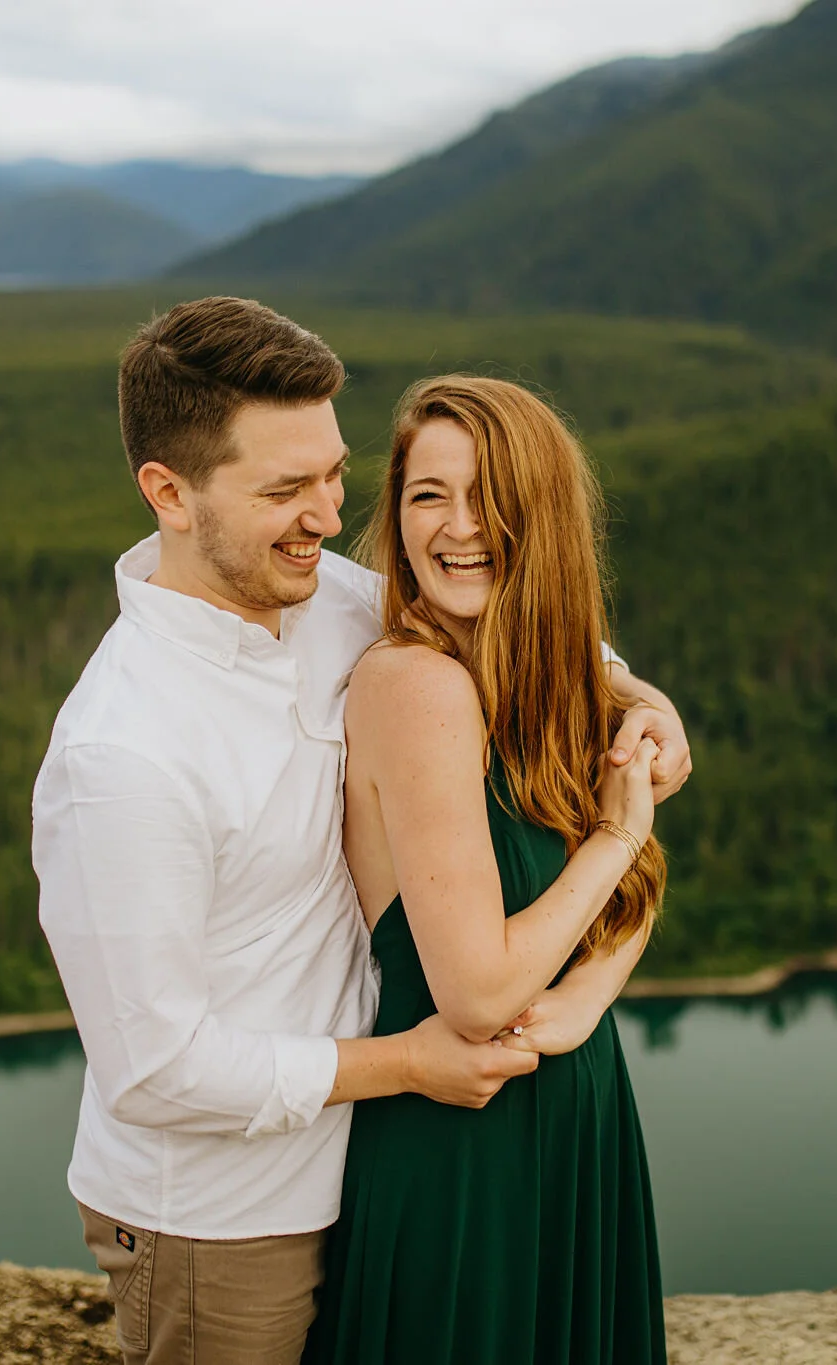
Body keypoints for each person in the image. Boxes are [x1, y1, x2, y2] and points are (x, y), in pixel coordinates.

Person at [32, 298, 689, 1365]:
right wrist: (405, 1065)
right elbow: (154, 1068)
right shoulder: (123, 753)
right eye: (284, 490)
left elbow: (500, 598)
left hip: (376, 1163)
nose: (328, 518)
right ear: (169, 493)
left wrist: (634, 698)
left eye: (335, 474)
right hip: (226, 1219)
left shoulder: (325, 592)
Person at [302, 375, 669, 1365]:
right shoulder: (412, 683)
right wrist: (613, 839)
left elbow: (633, 892)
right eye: (427, 494)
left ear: (539, 515)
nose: (457, 527)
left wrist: (590, 993)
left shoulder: (546, 681)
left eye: (487, 493)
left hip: (574, 1111)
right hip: (459, 1146)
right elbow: (474, 994)